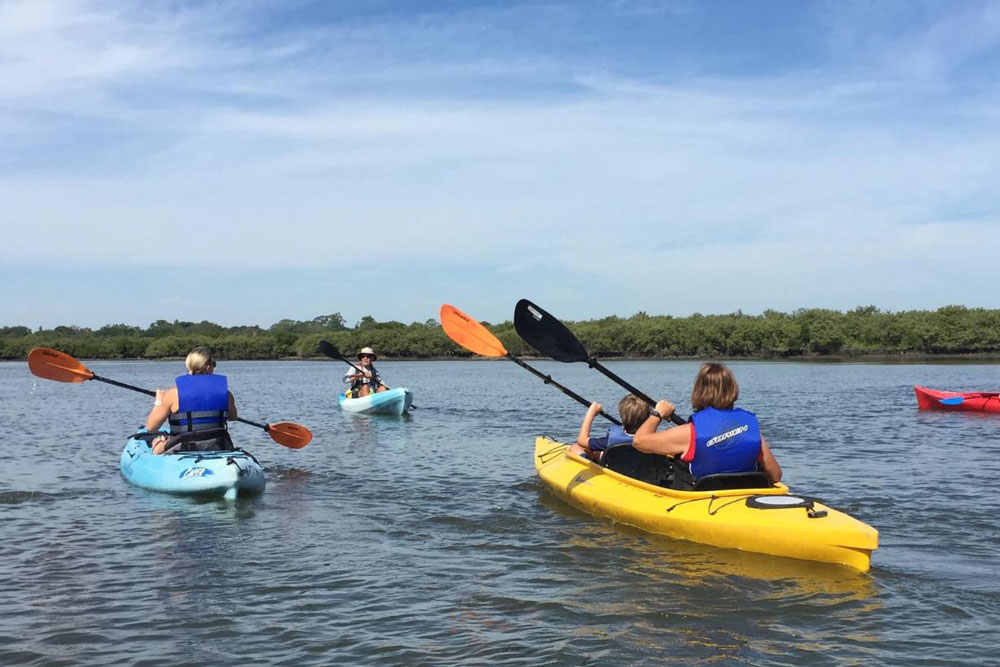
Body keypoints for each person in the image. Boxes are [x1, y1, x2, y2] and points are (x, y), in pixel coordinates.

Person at [632, 362, 781, 489]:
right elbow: (775, 475)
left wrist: (658, 413)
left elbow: (639, 441)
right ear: (733, 390)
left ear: (698, 391)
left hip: (700, 503)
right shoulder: (752, 429)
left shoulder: (690, 433)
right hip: (742, 500)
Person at [145, 347, 238, 455]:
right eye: (214, 364)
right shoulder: (226, 394)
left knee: (158, 443)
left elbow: (151, 428)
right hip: (218, 445)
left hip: (183, 446)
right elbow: (233, 417)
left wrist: (159, 401)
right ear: (208, 367)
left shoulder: (173, 394)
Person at [570, 394, 649, 463]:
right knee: (598, 452)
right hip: (641, 470)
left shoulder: (610, 440)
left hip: (616, 470)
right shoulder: (653, 439)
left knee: (575, 447)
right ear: (648, 417)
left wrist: (591, 413)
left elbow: (581, 440)